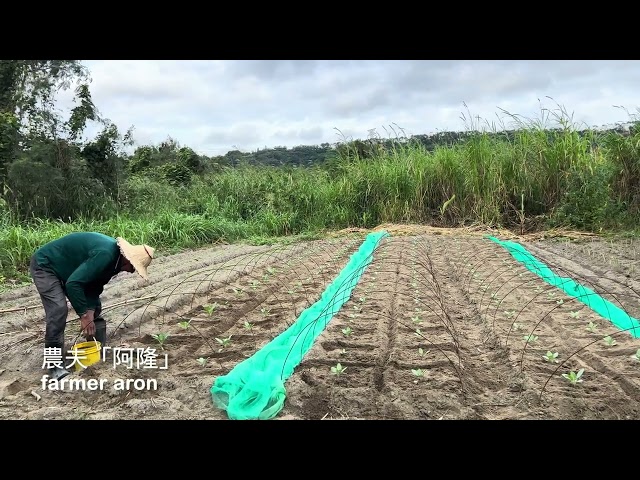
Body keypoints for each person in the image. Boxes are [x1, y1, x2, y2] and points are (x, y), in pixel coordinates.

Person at [30, 232, 155, 380]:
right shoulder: (106, 255)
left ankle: (96, 351)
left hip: (69, 270)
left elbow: (95, 286)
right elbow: (74, 284)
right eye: (133, 267)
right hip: (46, 266)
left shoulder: (114, 263)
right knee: (58, 309)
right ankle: (54, 365)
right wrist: (84, 315)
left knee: (95, 307)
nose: (131, 271)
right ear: (127, 258)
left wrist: (89, 311)